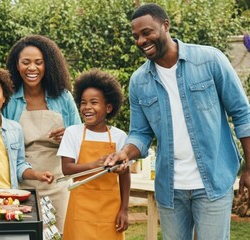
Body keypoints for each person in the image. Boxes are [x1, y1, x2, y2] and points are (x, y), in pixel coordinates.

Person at [104, 3, 250, 240]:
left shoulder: (209, 60)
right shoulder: (139, 81)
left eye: (146, 32)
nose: (141, 41)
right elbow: (140, 134)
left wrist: (249, 168)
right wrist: (125, 154)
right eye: (136, 36)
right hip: (170, 190)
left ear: (165, 26)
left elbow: (243, 114)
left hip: (213, 183)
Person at [2, 35, 81, 232]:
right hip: (22, 185)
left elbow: (80, 137)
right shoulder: (9, 100)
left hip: (59, 183)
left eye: (39, 62)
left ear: (48, 65)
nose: (32, 68)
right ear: (16, 65)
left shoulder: (62, 97)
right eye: (25, 62)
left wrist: (69, 136)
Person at [57, 68, 129, 240]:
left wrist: (124, 209)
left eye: (94, 102)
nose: (87, 107)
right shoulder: (73, 132)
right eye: (83, 102)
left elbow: (125, 175)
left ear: (108, 107)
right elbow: (66, 169)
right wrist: (95, 164)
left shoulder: (120, 136)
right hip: (80, 210)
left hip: (110, 211)